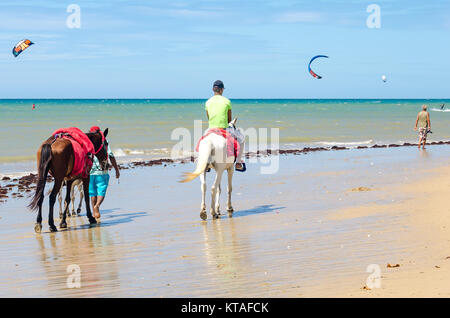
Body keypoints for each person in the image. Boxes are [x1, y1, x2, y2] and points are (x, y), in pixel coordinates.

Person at [205, 80, 245, 171]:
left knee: (203, 139)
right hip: (223, 128)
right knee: (242, 139)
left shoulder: (207, 102)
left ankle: (204, 162)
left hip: (211, 129)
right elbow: (229, 120)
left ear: (213, 89)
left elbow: (209, 118)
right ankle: (238, 163)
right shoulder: (227, 101)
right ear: (222, 90)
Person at [89, 126, 120, 221]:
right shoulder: (103, 142)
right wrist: (116, 169)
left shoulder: (87, 143)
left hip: (90, 171)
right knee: (101, 190)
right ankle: (97, 206)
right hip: (102, 171)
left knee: (92, 193)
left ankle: (94, 212)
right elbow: (111, 155)